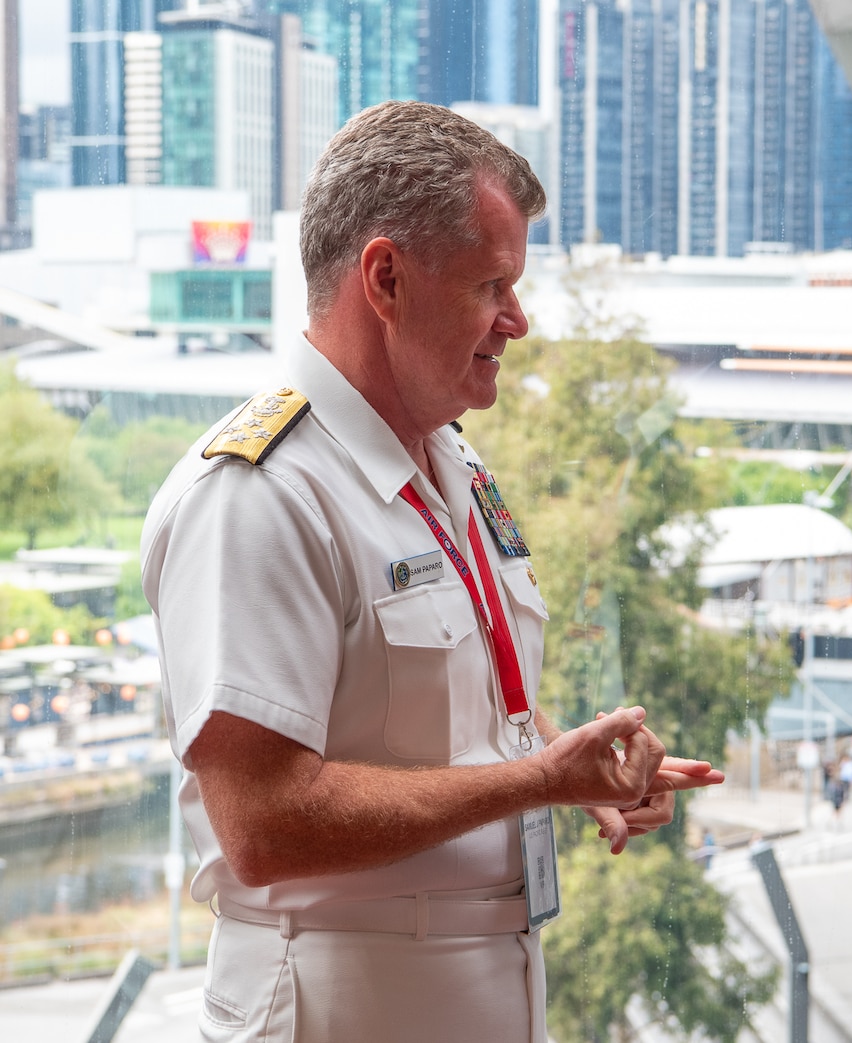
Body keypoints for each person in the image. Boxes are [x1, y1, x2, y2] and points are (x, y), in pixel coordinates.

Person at [140, 100, 722, 1043]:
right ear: (385, 278)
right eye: (493, 283)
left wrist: (572, 773)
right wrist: (536, 779)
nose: (519, 320)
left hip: (473, 986)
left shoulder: (448, 466)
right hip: (336, 1003)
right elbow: (261, 821)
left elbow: (443, 732)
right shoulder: (259, 494)